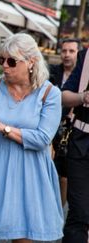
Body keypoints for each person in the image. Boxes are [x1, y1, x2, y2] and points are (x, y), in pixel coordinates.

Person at [0, 33, 63, 242]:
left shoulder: (49, 94)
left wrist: (3, 128)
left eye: (11, 61)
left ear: (31, 62)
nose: (5, 66)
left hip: (29, 173)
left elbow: (42, 138)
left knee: (21, 238)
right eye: (1, 60)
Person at [61, 47, 89, 243]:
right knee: (79, 211)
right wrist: (83, 97)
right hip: (82, 142)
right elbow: (64, 96)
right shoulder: (86, 56)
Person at [49, 38, 80, 207]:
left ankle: (59, 212)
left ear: (78, 53)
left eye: (71, 51)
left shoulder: (82, 77)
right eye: (64, 51)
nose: (67, 55)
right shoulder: (52, 72)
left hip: (70, 131)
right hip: (50, 127)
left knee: (64, 176)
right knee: (49, 172)